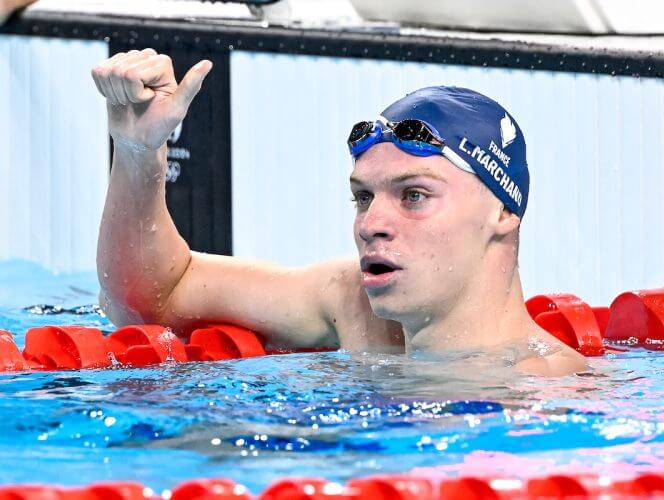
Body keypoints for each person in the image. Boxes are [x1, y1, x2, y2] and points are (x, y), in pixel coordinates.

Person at [91, 49, 587, 376]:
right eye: (363, 197)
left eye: (413, 195)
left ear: (503, 213)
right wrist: (137, 152)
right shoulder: (351, 304)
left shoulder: (545, 399)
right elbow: (152, 297)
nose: (371, 225)